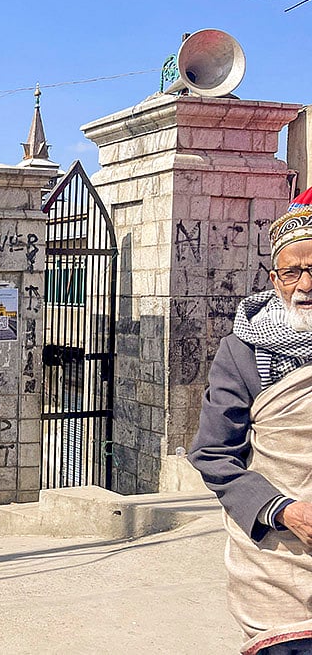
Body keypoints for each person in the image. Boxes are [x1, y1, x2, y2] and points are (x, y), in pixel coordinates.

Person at [190, 193, 312, 655]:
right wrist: (286, 511)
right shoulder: (242, 352)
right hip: (278, 564)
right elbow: (214, 454)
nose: (305, 283)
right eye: (291, 272)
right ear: (274, 279)